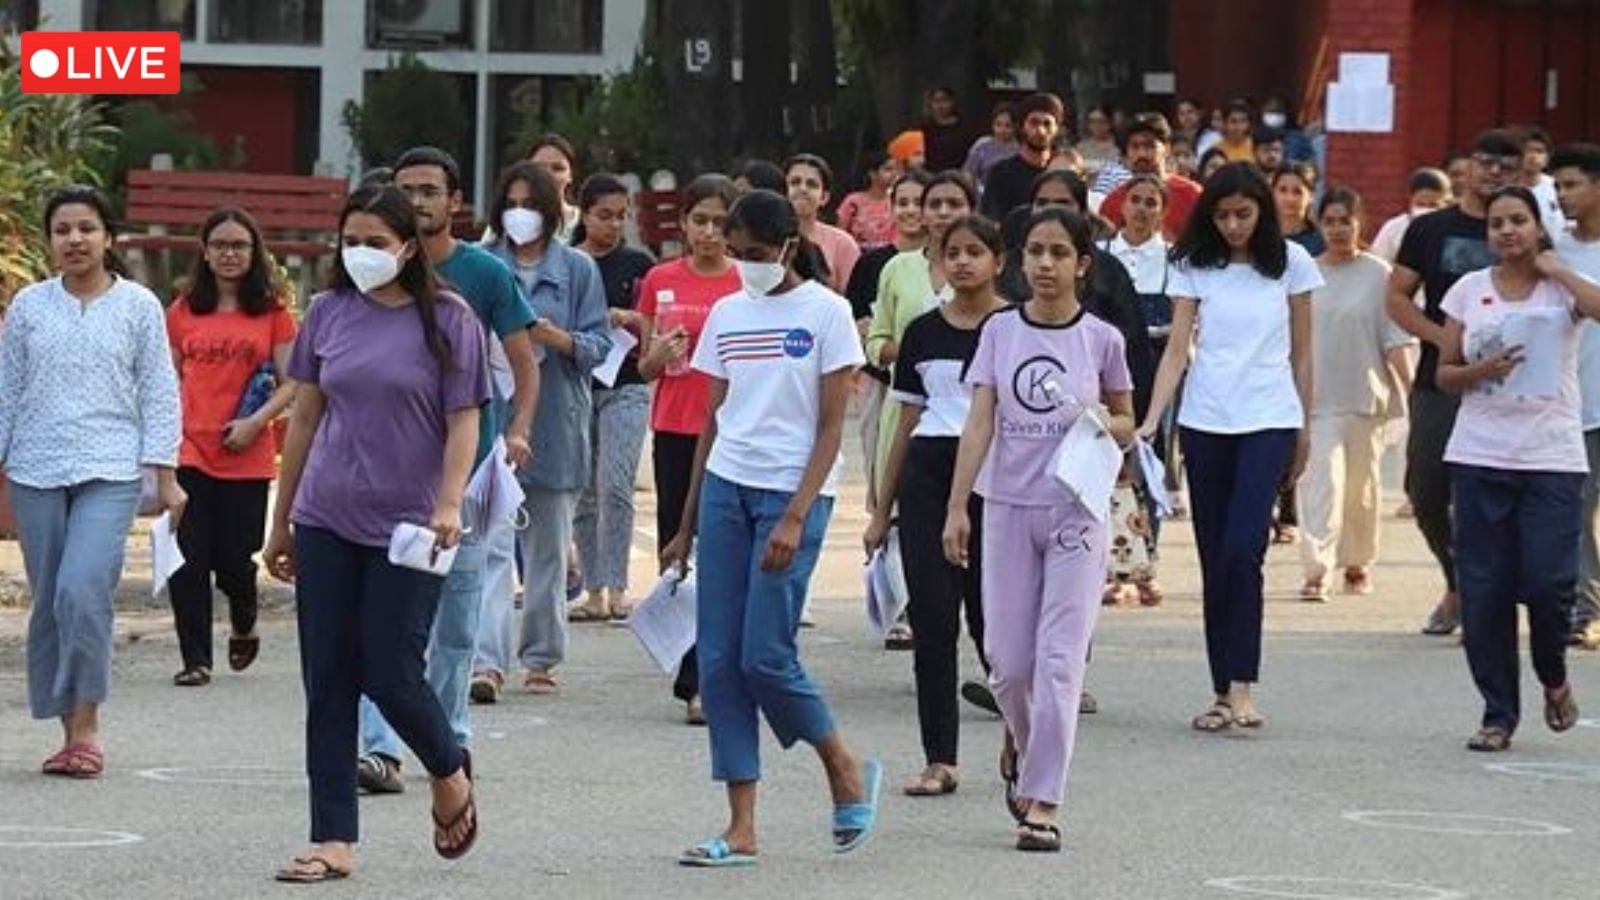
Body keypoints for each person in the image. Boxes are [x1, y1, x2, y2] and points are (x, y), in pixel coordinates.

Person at [263, 184, 486, 880]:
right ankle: (333, 838)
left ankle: (448, 767)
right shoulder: (328, 314)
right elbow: (302, 418)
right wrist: (282, 519)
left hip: (410, 529)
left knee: (391, 671)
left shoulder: (448, 320)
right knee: (328, 677)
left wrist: (449, 502)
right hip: (326, 515)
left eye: (376, 243)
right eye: (350, 240)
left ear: (409, 248)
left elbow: (463, 420)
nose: (360, 254)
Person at [660, 189, 881, 867]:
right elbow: (712, 422)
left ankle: (841, 763)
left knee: (766, 656)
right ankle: (741, 826)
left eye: (756, 254)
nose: (744, 265)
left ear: (788, 246)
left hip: (793, 494)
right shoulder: (727, 312)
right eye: (736, 254)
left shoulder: (828, 312)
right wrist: (685, 523)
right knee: (720, 663)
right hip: (727, 489)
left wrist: (793, 515)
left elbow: (830, 427)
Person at [943, 207, 1135, 852]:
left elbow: (1128, 422)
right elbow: (978, 424)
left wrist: (1100, 421)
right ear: (1020, 261)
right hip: (1006, 508)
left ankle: (1044, 800)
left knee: (1058, 664)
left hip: (1076, 513)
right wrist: (956, 507)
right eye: (1035, 252)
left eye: (1059, 253)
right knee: (1009, 665)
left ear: (1083, 263)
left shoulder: (1102, 339)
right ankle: (1025, 748)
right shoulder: (1000, 331)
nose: (1045, 265)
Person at [356, 147, 541, 785]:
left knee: (457, 618)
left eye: (430, 190)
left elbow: (524, 361)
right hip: (385, 472)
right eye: (406, 189)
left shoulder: (484, 274)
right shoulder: (372, 275)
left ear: (455, 202)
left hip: (467, 472)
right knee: (382, 619)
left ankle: (448, 739)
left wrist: (517, 430)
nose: (419, 201)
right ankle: (380, 748)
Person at [1, 185, 183, 779]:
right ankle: (64, 729)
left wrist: (167, 475)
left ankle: (87, 727)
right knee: (51, 598)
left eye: (86, 228)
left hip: (111, 469)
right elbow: (7, 388)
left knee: (82, 590)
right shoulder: (28, 306)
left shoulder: (138, 306)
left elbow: (159, 391)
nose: (74, 239)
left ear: (109, 236)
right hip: (35, 468)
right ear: (50, 240)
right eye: (62, 230)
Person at [1138, 162, 1322, 733]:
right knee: (1216, 559)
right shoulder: (1193, 264)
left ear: (1263, 212)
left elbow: (1303, 352)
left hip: (1269, 416)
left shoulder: (1292, 263)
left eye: (1244, 213)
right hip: (1204, 419)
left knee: (1246, 550)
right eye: (1222, 215)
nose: (1234, 224)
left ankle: (1244, 686)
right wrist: (1149, 422)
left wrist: (1304, 425)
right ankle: (1222, 690)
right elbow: (1177, 348)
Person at [1434, 185, 1600, 751]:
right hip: (1480, 454)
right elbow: (1444, 374)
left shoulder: (1562, 290)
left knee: (1550, 583)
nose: (1507, 231)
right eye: (1497, 223)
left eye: (1518, 221)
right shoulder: (1468, 291)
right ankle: (1498, 713)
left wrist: (1558, 266)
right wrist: (1482, 369)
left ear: (1537, 226)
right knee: (1485, 592)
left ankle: (1553, 675)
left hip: (1552, 457)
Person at [863, 215, 1007, 797]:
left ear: (998, 259)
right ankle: (939, 757)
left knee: (995, 621)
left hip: (998, 481)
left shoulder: (1014, 327)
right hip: (927, 474)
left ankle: (1019, 739)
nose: (964, 262)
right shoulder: (921, 332)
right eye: (954, 253)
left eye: (976, 251)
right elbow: (906, 420)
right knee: (932, 618)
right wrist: (881, 508)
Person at [481, 162, 612, 696]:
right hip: (489, 417)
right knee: (487, 545)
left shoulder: (578, 269)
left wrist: (551, 336)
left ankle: (540, 655)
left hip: (556, 420)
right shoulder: (481, 263)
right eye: (511, 204)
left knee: (547, 551)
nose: (520, 216)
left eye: (531, 206)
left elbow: (598, 348)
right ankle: (486, 660)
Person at [1386, 130, 1521, 636]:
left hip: (1511, 383)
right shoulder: (1431, 229)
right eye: (1486, 162)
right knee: (1426, 490)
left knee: (1491, 495)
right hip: (1439, 379)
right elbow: (1397, 297)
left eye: (1506, 167)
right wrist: (1445, 338)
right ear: (1467, 165)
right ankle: (1459, 581)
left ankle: (1483, 595)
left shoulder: (1523, 230)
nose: (1493, 174)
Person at [165, 207, 297, 687]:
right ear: (204, 251)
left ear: (254, 252)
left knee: (234, 561)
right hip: (189, 450)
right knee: (189, 556)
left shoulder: (274, 314)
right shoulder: (182, 311)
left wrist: (257, 422)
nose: (229, 253)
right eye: (220, 244)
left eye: (239, 245)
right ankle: (196, 658)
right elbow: (164, 379)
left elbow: (293, 382)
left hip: (247, 451)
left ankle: (244, 620)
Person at [636, 174, 744, 723]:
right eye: (698, 220)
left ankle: (710, 676)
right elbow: (644, 367)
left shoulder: (745, 282)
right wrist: (659, 353)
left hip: (733, 431)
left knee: (720, 554)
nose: (708, 232)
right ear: (682, 224)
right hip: (676, 428)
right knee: (678, 551)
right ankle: (689, 669)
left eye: (719, 222)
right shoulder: (660, 278)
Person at [1297, 187, 1412, 601]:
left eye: (1345, 220)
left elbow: (1394, 337)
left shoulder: (1378, 274)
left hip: (1367, 395)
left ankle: (1358, 562)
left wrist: (1409, 386)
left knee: (1361, 489)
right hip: (1317, 398)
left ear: (1360, 223)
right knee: (1322, 483)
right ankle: (1317, 569)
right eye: (1329, 221)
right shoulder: (1305, 274)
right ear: (1318, 224)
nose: (1338, 229)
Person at [569, 175, 656, 622]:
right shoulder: (565, 261)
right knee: (583, 489)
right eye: (604, 215)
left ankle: (618, 584)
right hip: (577, 383)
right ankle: (593, 587)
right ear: (583, 214)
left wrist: (631, 317)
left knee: (615, 484)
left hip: (626, 381)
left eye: (621, 216)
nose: (613, 225)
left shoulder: (639, 264)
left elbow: (659, 321)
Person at [1105, 174, 1174, 605]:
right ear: (1122, 205)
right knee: (1109, 467)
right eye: (1136, 200)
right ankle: (1116, 567)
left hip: (1153, 369)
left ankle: (1148, 562)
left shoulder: (1173, 260)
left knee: (1148, 466)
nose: (1143, 209)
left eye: (1152, 202)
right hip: (1109, 369)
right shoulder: (1104, 256)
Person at [1551, 143, 1600, 650]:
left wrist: (1560, 273)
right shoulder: (1552, 249)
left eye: (1572, 185)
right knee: (1577, 514)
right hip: (1576, 406)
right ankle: (1586, 609)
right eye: (1558, 186)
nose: (1563, 195)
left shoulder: (1557, 262)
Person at [1099, 113, 1203, 238]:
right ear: (1126, 153)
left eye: (1149, 146)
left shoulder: (1192, 194)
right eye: (1135, 146)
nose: (1141, 154)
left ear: (1167, 148)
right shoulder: (1113, 202)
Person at [981, 92, 1065, 222]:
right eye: (1034, 122)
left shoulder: (1064, 171)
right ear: (1022, 126)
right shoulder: (1001, 173)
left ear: (1057, 129)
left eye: (1047, 124)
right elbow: (990, 222)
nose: (1040, 131)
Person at [785, 153, 860, 293]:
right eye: (795, 182)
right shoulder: (767, 238)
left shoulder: (842, 243)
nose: (803, 189)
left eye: (811, 184)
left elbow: (852, 299)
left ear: (824, 197)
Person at [1371, 168, 1453, 263]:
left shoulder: (1453, 228)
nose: (1426, 210)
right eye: (1420, 204)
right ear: (1410, 198)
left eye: (1433, 205)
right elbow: (1379, 262)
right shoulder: (1394, 227)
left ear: (1446, 202)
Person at [836, 153, 899, 250]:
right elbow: (840, 234)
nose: (894, 174)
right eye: (888, 169)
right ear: (873, 174)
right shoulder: (853, 201)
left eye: (896, 169)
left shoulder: (897, 202)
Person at [528, 133, 582, 243]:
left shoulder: (585, 221)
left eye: (557, 168)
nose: (548, 174)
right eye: (539, 167)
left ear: (570, 175)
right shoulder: (509, 219)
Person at [1517, 126, 1566, 235]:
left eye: (1539, 151)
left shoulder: (1557, 186)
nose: (1533, 156)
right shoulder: (1506, 188)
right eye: (1527, 150)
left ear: (1548, 157)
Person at [964, 102, 1019, 190]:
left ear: (1016, 126)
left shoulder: (1020, 150)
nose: (1002, 130)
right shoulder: (982, 144)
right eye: (998, 125)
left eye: (1008, 126)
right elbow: (968, 173)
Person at [921, 86, 973, 173]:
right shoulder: (923, 129)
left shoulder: (965, 128)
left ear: (952, 102)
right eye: (936, 101)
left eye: (944, 101)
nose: (940, 106)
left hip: (958, 177)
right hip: (928, 177)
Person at [1075, 104, 1121, 174]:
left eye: (1101, 121)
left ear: (1110, 123)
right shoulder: (1081, 147)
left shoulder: (1120, 146)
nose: (1097, 126)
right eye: (1092, 121)